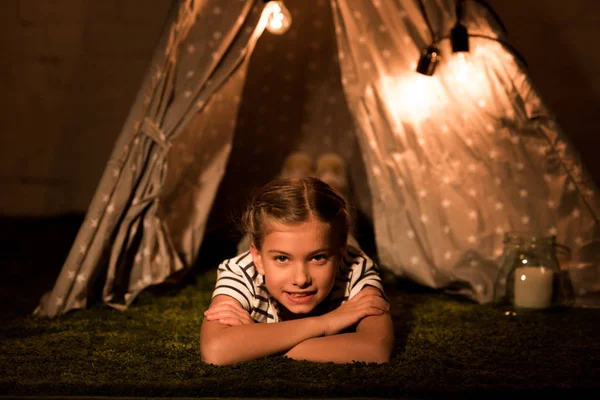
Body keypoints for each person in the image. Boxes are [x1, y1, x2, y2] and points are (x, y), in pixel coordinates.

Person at [200, 177, 394, 365]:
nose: (301, 280)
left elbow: (374, 349)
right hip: (254, 245)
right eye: (282, 258)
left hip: (339, 240)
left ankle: (334, 181)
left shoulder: (356, 266)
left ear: (340, 254)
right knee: (256, 233)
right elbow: (216, 350)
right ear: (257, 258)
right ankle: (293, 172)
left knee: (342, 224)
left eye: (318, 258)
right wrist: (327, 323)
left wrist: (256, 344)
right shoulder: (241, 270)